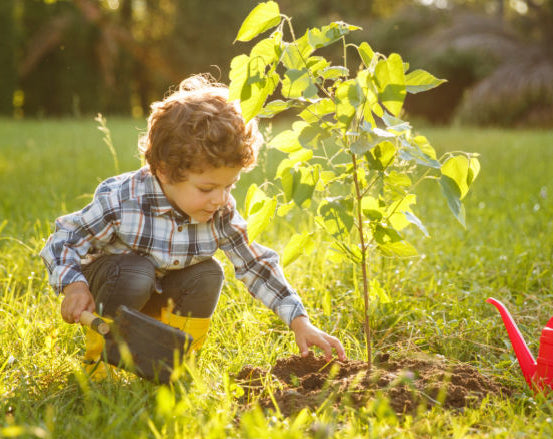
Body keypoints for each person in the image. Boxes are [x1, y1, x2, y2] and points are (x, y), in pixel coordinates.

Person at [40, 74, 346, 371]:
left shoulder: (220, 212)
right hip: (115, 287)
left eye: (229, 186)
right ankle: (103, 362)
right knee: (137, 271)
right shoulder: (124, 200)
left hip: (159, 298)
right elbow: (65, 238)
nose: (220, 199)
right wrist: (74, 285)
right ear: (163, 170)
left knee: (208, 272)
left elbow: (255, 264)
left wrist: (299, 320)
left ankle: (171, 361)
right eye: (207, 188)